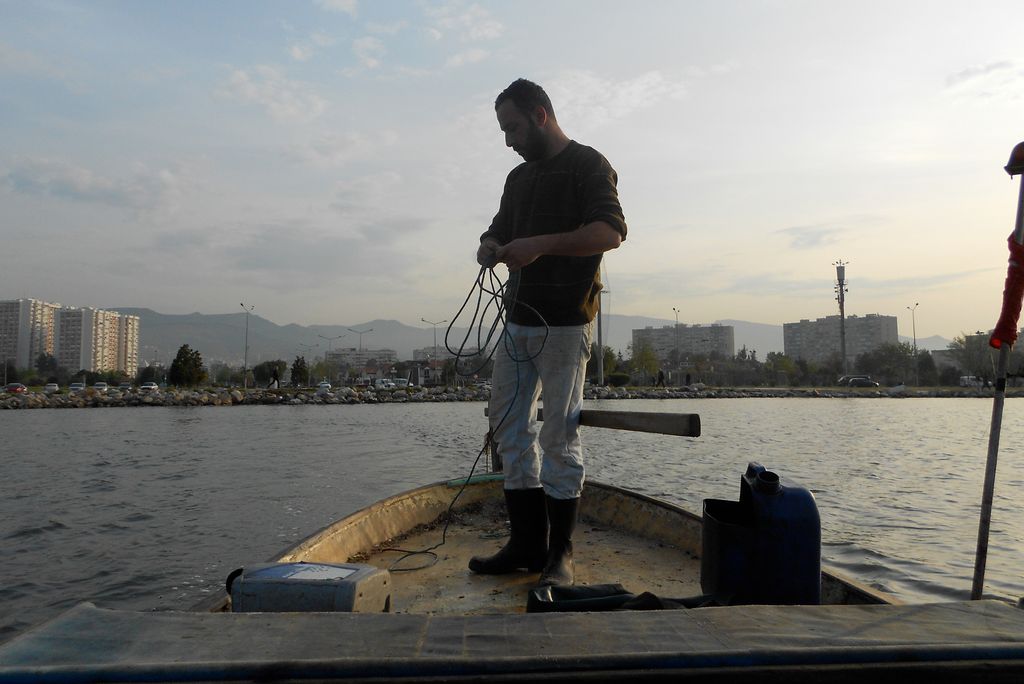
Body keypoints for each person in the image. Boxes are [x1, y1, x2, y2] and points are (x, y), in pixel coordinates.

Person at [469, 78, 627, 586]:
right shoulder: (518, 180)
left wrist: (539, 245)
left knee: (559, 435)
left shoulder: (589, 165)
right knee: (509, 431)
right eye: (502, 130)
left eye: (512, 127)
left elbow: (609, 232)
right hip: (517, 323)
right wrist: (490, 245)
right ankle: (525, 545)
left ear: (540, 115)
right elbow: (497, 227)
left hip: (565, 325)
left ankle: (561, 555)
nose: (508, 140)